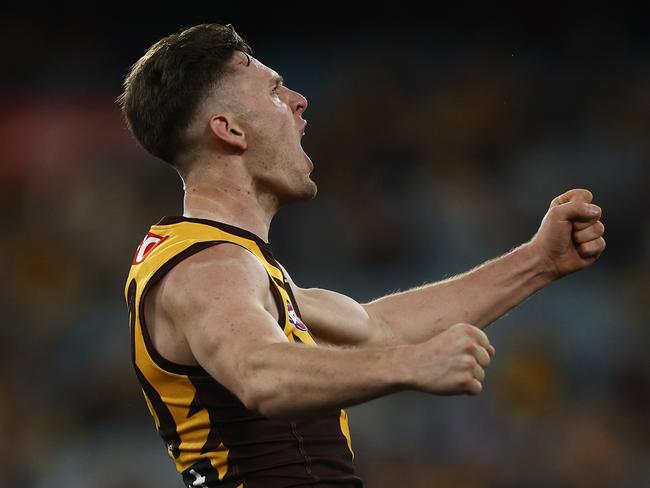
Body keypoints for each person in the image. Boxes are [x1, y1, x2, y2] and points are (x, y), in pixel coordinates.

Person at [118, 24, 606, 488]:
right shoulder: (208, 267)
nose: (299, 100)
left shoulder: (238, 269)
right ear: (228, 130)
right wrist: (410, 365)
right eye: (273, 92)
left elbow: (379, 327)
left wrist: (539, 261)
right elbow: (259, 373)